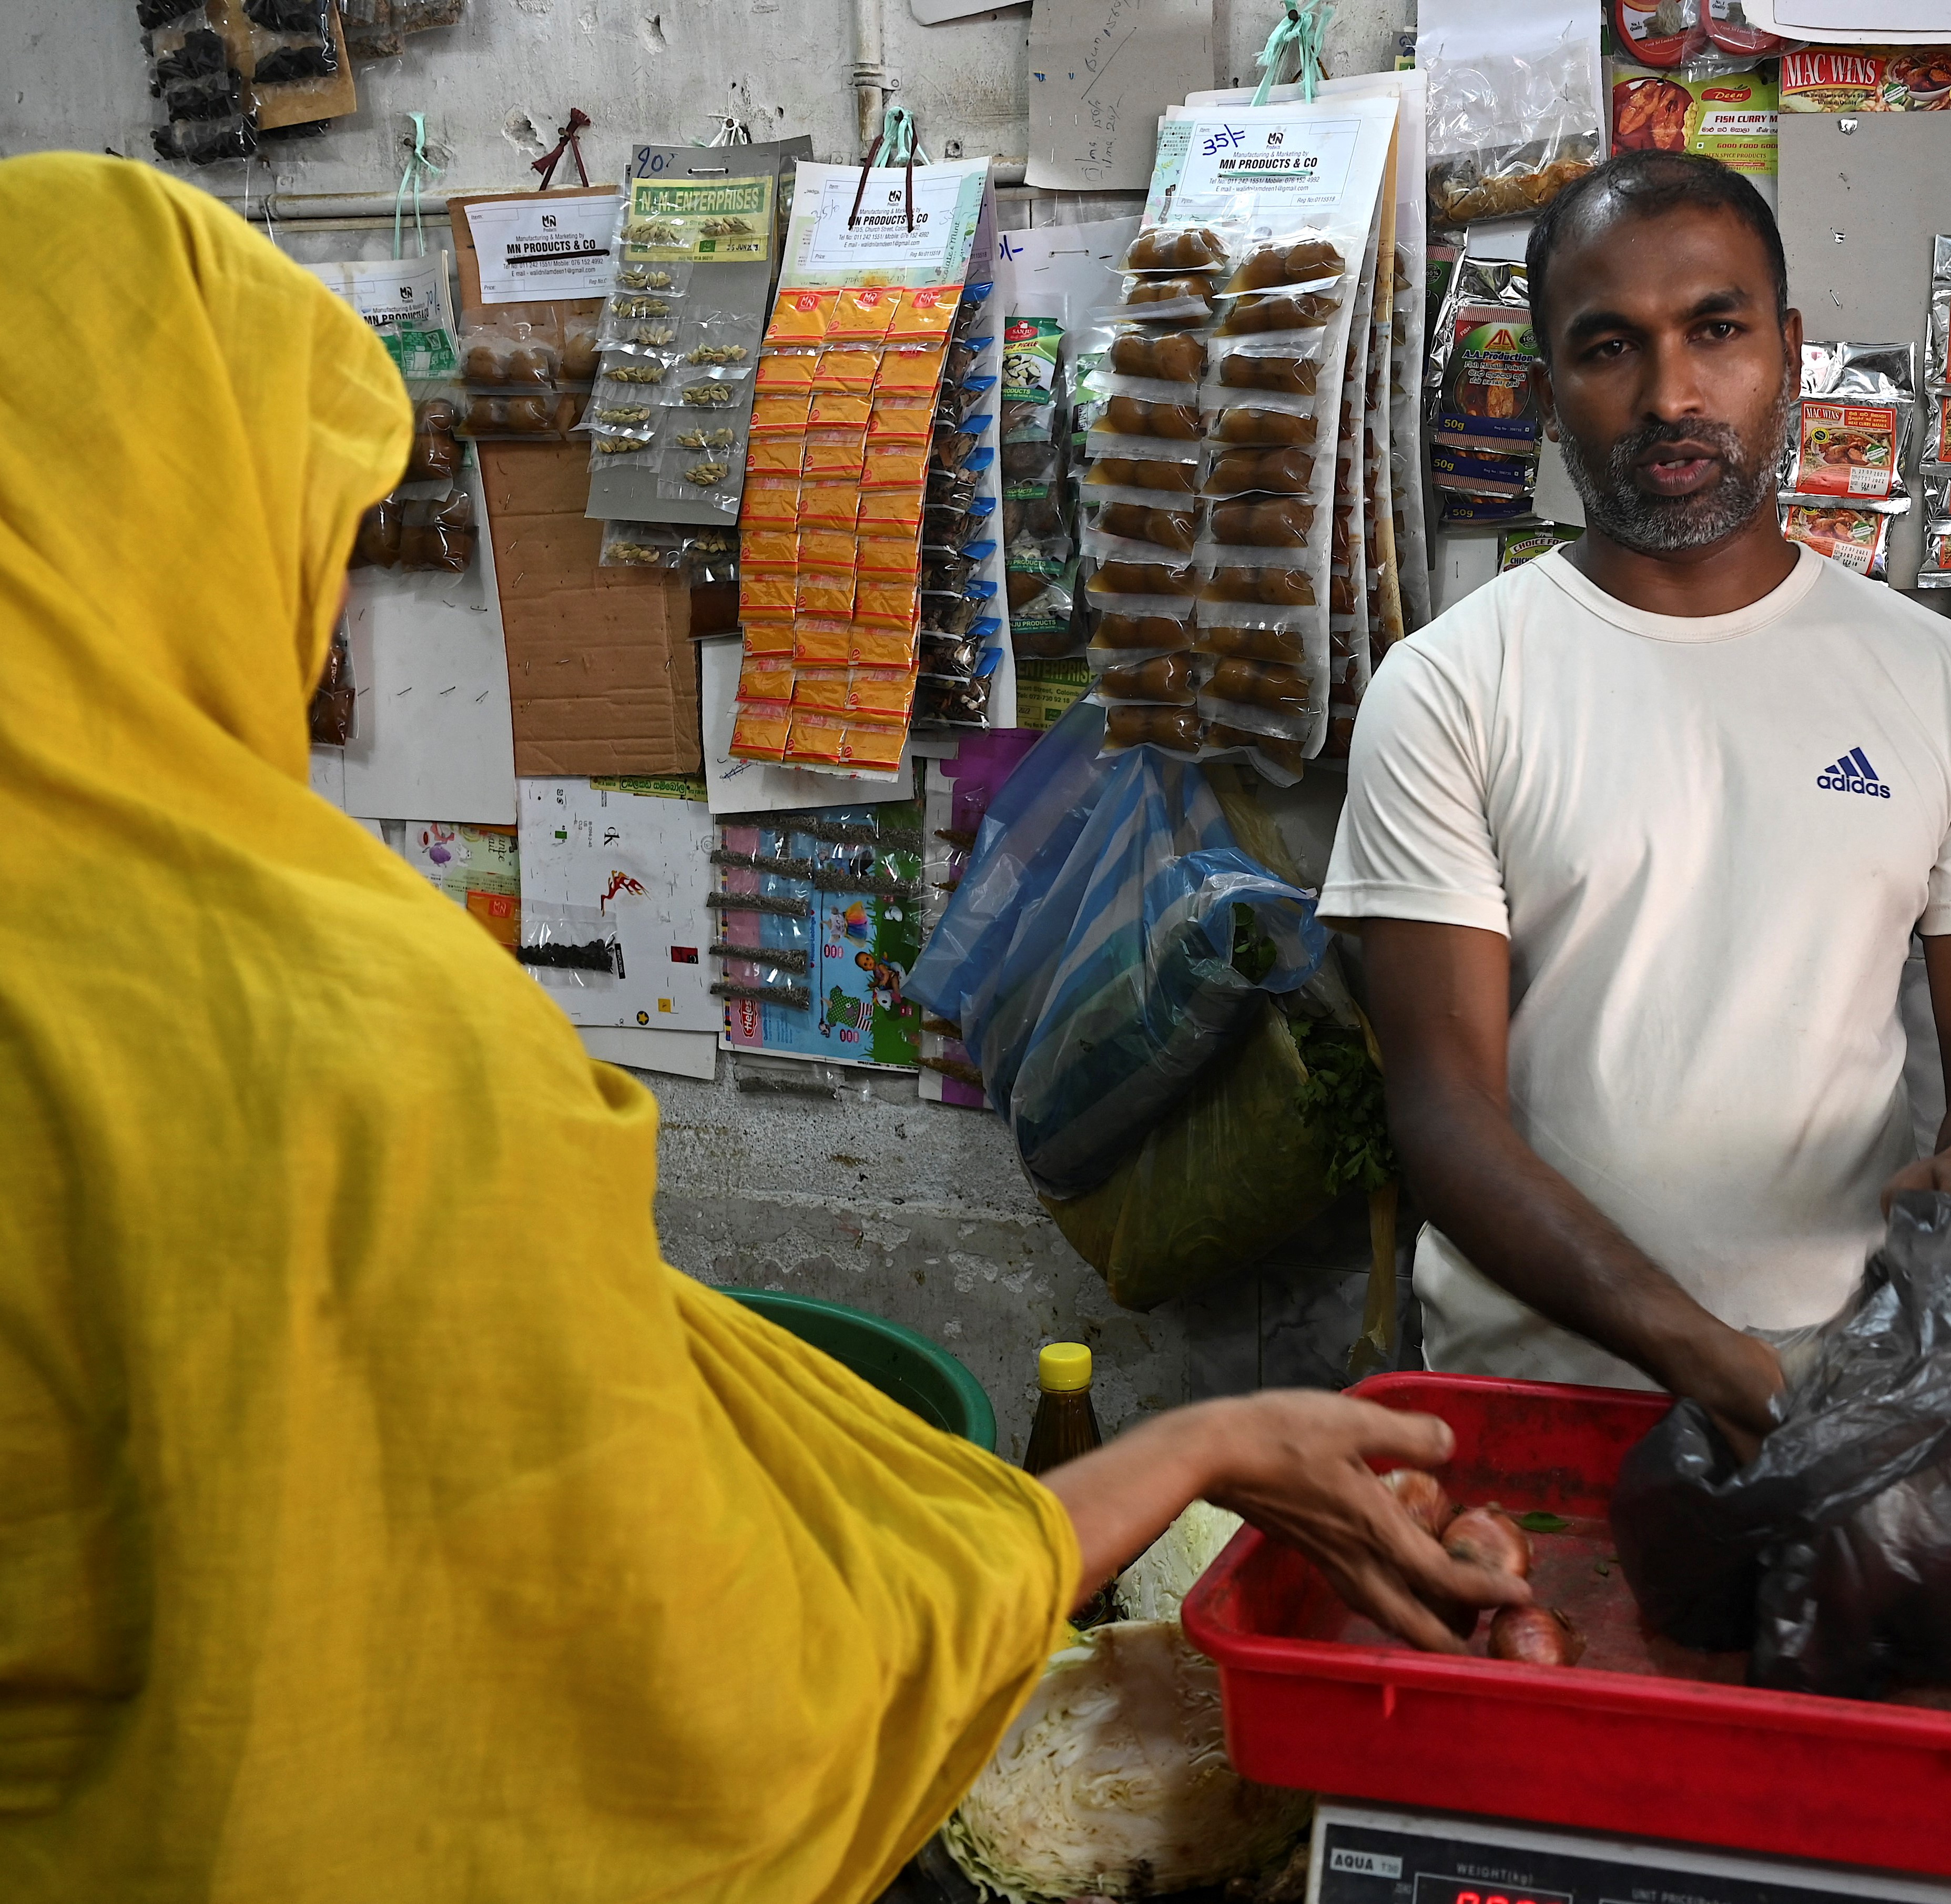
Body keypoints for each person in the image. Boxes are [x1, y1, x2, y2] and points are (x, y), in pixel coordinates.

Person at [0, 155, 1520, 1901]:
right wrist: (1207, 1445)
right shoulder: (355, 1041)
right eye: (312, 540)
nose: (324, 623)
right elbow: (713, 1687)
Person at [1324, 152, 1951, 1449]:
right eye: (1610, 347)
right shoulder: (1453, 684)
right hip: (1535, 1391)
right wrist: (1707, 1358)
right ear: (1552, 385)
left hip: (1866, 1380)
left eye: (1715, 331)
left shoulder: (1937, 681)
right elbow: (1444, 1109)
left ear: (1788, 349)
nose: (1672, 395)